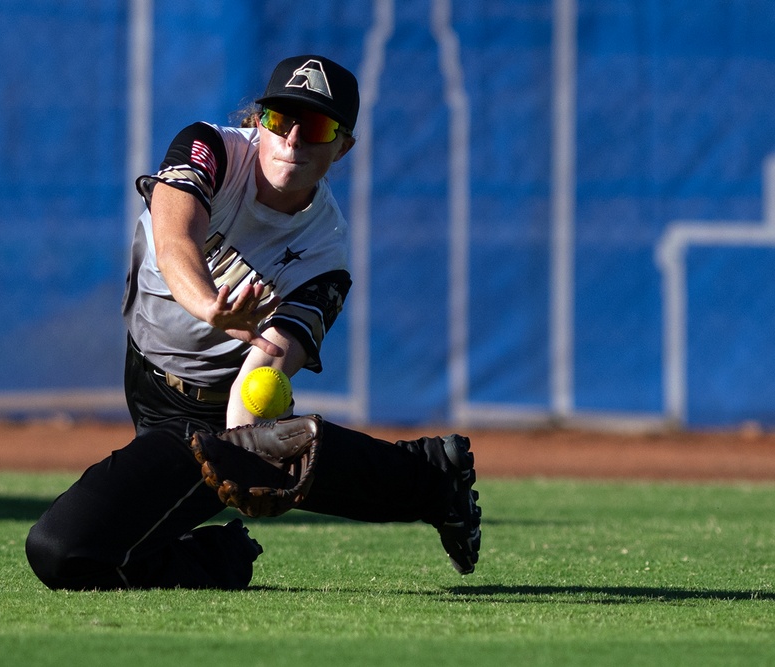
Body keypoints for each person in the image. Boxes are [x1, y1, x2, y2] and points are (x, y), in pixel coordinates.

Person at [25, 55, 481, 590]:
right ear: (256, 122)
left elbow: (261, 374)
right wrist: (210, 306)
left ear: (343, 147)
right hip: (146, 376)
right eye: (278, 119)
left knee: (64, 552)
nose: (291, 139)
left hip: (212, 408)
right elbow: (174, 240)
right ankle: (429, 478)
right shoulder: (211, 150)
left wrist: (241, 447)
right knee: (123, 533)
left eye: (314, 127)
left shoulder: (324, 259)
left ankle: (224, 555)